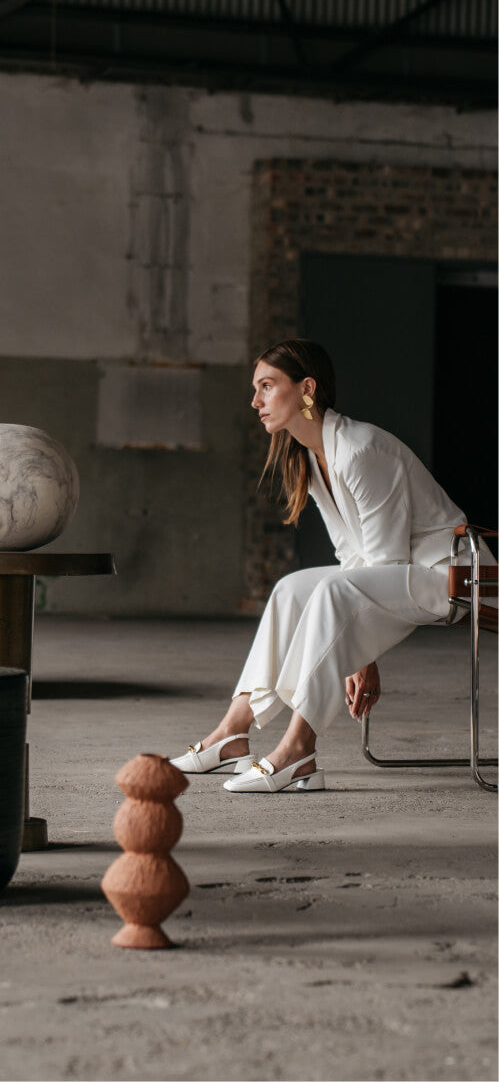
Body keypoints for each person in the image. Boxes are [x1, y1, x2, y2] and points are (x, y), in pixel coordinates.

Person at [171, 338, 489, 794]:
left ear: (307, 389)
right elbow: (350, 553)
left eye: (267, 386)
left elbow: (385, 560)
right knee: (291, 590)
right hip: (404, 576)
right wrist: (357, 646)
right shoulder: (310, 455)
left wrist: (360, 652)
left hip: (456, 575)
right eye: (256, 389)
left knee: (335, 592)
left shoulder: (361, 450)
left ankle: (298, 749)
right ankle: (231, 733)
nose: (256, 401)